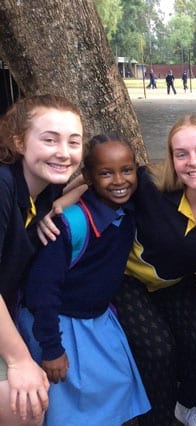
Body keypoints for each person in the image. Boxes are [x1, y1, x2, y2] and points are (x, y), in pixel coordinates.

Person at [38, 114, 196, 426]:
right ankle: (157, 419)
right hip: (127, 280)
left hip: (175, 283)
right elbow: (101, 175)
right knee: (157, 348)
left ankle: (189, 402)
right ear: (171, 159)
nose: (193, 162)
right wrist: (61, 202)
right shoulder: (150, 185)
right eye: (182, 154)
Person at [19, 134, 150, 425]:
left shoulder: (127, 210)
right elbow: (43, 290)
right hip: (60, 324)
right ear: (88, 176)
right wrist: (52, 348)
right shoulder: (68, 225)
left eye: (127, 170)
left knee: (116, 381)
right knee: (66, 401)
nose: (119, 180)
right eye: (105, 173)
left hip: (98, 320)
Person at [0, 94, 83, 426]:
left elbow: (81, 183)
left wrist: (57, 206)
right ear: (19, 141)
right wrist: (18, 360)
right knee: (24, 405)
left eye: (73, 142)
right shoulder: (3, 187)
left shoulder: (42, 188)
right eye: (50, 140)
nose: (63, 152)